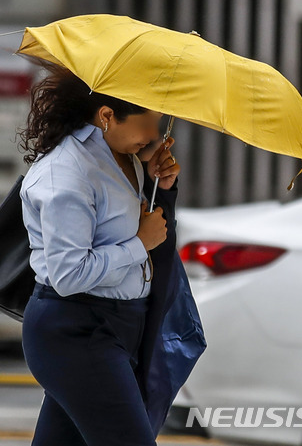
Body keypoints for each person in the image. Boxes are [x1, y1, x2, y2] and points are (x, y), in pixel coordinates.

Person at [18, 66, 180, 445]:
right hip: (76, 329)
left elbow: (132, 227)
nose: (155, 135)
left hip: (117, 326)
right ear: (107, 116)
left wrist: (159, 185)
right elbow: (69, 274)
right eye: (148, 124)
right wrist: (140, 243)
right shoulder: (66, 176)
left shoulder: (121, 157)